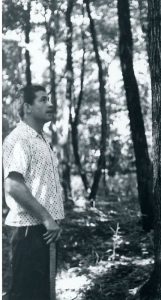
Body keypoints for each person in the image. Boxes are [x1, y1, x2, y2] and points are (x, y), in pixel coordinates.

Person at [3, 84, 64, 300]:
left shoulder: (41, 139)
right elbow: (13, 185)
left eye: (49, 99)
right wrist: (47, 218)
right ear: (27, 107)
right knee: (25, 295)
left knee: (43, 293)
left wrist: (51, 222)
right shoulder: (20, 139)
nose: (50, 104)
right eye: (43, 100)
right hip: (29, 231)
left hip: (45, 231)